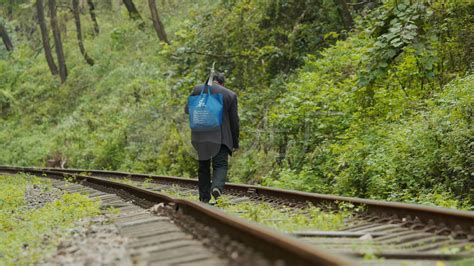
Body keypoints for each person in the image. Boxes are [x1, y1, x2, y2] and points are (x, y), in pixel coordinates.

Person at [185, 72, 240, 203]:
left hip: (200, 137)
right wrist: (235, 142)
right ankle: (216, 187)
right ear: (222, 83)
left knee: (203, 166)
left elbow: (187, 109)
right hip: (220, 137)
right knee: (220, 165)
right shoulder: (229, 94)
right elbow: (234, 121)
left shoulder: (198, 90)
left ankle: (204, 198)